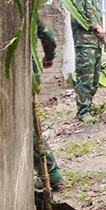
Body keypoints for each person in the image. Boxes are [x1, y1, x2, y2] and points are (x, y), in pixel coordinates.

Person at [72, 0, 106, 124]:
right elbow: (77, 18)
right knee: (85, 78)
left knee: (94, 79)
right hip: (84, 45)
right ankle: (82, 111)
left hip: (96, 44)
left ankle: (89, 105)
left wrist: (102, 35)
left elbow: (97, 20)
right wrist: (95, 26)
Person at [33, 19, 63, 190]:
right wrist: (49, 56)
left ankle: (50, 172)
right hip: (31, 72)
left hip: (25, 73)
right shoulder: (30, 9)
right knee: (30, 125)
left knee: (29, 128)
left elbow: (48, 35)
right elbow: (48, 37)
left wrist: (49, 56)